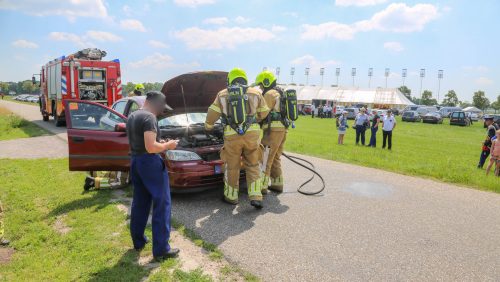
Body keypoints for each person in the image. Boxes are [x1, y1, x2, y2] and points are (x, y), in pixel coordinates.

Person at [205, 68, 270, 209]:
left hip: (231, 136)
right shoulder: (256, 92)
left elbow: (212, 113)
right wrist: (254, 119)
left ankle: (231, 196)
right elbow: (264, 112)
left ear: (230, 80)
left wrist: (208, 125)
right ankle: (256, 196)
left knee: (232, 166)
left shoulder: (222, 94)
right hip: (252, 135)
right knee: (253, 164)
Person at [126, 91, 179, 261]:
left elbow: (144, 143)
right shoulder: (149, 118)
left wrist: (159, 144)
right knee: (162, 203)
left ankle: (138, 241)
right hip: (150, 163)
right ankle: (162, 249)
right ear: (155, 103)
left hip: (136, 161)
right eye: (161, 108)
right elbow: (150, 147)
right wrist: (168, 146)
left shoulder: (133, 115)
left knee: (140, 202)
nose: (160, 112)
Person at [254, 71, 288, 194]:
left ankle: (262, 187)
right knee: (275, 158)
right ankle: (277, 184)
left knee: (265, 158)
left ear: (266, 82)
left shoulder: (269, 94)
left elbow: (263, 113)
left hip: (272, 131)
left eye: (261, 85)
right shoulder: (280, 92)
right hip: (282, 130)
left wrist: (253, 120)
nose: (261, 88)